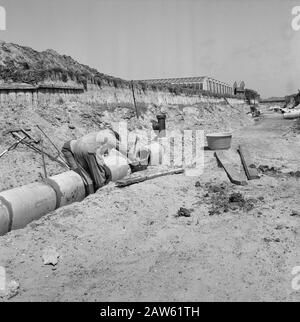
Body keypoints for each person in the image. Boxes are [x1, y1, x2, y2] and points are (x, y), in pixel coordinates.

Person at [62, 128, 137, 195]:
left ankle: (90, 195)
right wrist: (133, 158)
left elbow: (99, 153)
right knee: (99, 175)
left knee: (86, 175)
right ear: (115, 136)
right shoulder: (110, 136)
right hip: (88, 149)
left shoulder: (98, 134)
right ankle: (101, 193)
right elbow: (119, 146)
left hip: (77, 148)